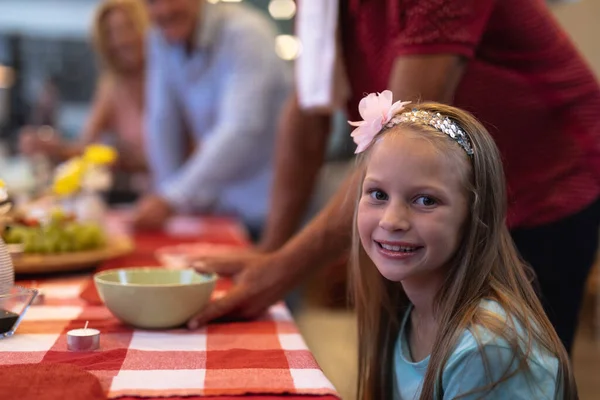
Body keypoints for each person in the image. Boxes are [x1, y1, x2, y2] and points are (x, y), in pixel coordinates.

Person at [188, 0, 600, 355]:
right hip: (439, 190)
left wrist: (281, 270)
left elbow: (400, 143)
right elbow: (307, 111)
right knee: (414, 353)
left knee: (508, 353)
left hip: (548, 179)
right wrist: (271, 251)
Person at [347, 92, 576, 399]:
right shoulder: (407, 313)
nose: (391, 221)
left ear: (475, 215)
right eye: (378, 194)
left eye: (426, 200)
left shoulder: (485, 349)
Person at [133, 0, 290, 236]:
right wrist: (164, 194)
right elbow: (161, 120)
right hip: (217, 207)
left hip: (269, 206)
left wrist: (173, 197)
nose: (164, 10)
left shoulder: (246, 32)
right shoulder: (158, 38)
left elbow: (242, 128)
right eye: (152, 2)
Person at [19, 0, 148, 176]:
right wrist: (53, 148)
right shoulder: (111, 86)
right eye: (111, 33)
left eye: (128, 27)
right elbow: (85, 148)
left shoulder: (168, 77)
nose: (121, 39)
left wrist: (129, 159)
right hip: (142, 197)